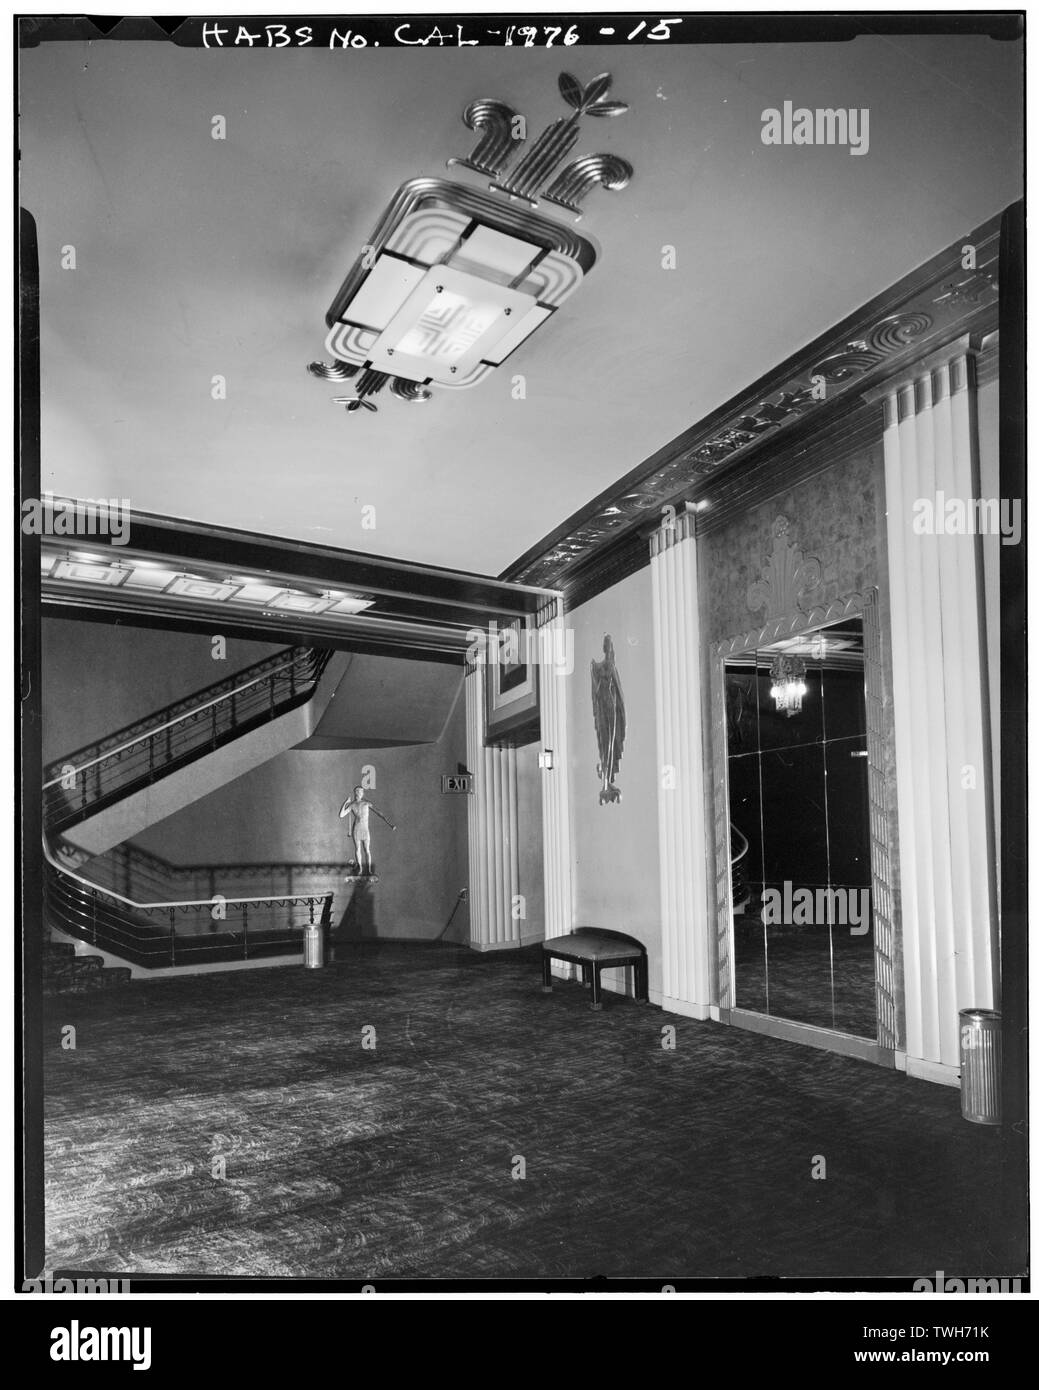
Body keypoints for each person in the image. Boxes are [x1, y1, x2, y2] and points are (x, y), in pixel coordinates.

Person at [338, 786, 395, 875]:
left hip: (365, 830)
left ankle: (369, 870)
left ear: (362, 793)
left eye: (360, 792)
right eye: (357, 792)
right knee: (358, 849)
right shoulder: (352, 805)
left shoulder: (366, 803)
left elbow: (378, 812)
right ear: (355, 793)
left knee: (367, 850)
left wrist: (388, 823)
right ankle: (360, 869)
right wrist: (346, 802)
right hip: (356, 830)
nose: (358, 793)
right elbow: (341, 815)